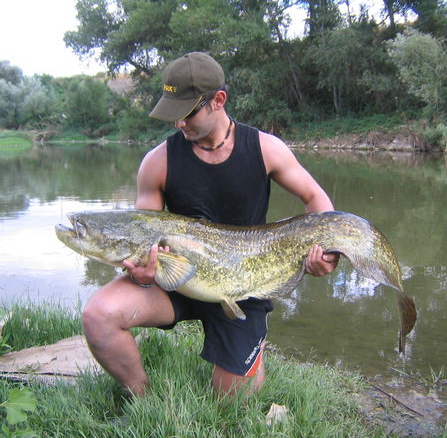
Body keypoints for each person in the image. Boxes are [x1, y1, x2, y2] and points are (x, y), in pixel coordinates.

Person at [82, 52, 338, 397]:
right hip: (178, 280)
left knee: (232, 401)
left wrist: (327, 252)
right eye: (172, 114)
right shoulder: (157, 162)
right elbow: (142, 231)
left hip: (243, 284)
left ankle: (247, 357)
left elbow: (316, 200)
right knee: (99, 314)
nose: (178, 123)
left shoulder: (266, 149)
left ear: (218, 101)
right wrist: (142, 270)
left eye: (186, 113)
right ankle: (142, 397)